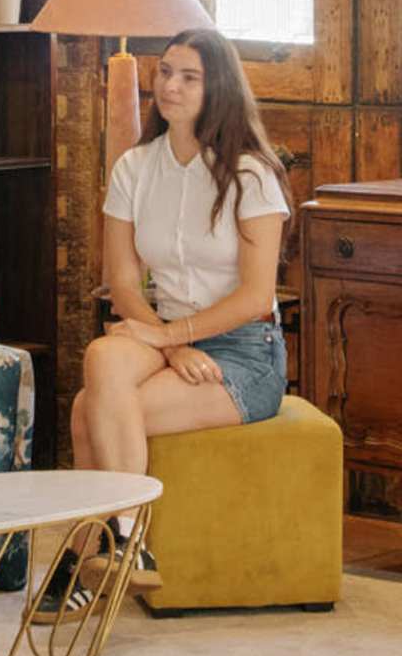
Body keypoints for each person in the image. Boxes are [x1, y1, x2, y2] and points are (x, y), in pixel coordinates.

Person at [82, 29, 291, 580]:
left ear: (216, 87)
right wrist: (172, 346)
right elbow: (123, 283)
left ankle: (87, 557)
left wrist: (172, 340)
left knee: (89, 411)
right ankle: (123, 540)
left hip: (245, 351)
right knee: (103, 359)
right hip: (164, 331)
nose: (170, 85)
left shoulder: (251, 174)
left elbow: (255, 296)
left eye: (189, 77)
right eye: (166, 71)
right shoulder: (133, 168)